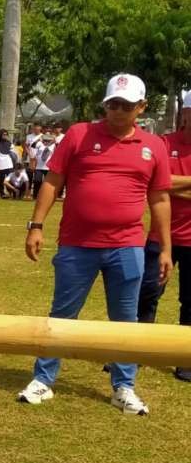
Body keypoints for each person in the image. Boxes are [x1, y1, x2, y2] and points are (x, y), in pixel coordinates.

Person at [20, 73, 171, 415]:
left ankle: (124, 386)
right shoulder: (78, 134)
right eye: (112, 104)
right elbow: (52, 182)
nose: (118, 111)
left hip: (128, 246)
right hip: (77, 244)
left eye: (127, 105)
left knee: (125, 321)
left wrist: (165, 249)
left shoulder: (154, 147)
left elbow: (160, 199)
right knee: (63, 315)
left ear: (141, 107)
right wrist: (36, 225)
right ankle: (43, 379)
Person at [137, 90, 191, 382]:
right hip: (162, 235)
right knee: (147, 293)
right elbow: (156, 183)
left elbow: (167, 184)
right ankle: (136, 351)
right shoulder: (164, 143)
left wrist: (171, 185)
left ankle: (185, 358)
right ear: (184, 113)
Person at [32, 134, 56, 199]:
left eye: (48, 140)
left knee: (48, 183)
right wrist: (39, 139)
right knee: (37, 181)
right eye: (45, 140)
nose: (46, 142)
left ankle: (47, 196)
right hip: (39, 167)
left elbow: (60, 146)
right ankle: (35, 195)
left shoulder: (53, 146)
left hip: (48, 167)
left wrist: (54, 139)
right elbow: (33, 145)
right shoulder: (40, 145)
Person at [0, 129, 16, 198]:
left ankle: (12, 193)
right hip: (0, 164)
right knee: (1, 180)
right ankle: (2, 193)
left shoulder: (10, 143)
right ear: (0, 135)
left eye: (6, 134)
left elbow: (13, 153)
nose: (5, 136)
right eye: (4, 134)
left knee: (10, 179)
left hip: (9, 164)